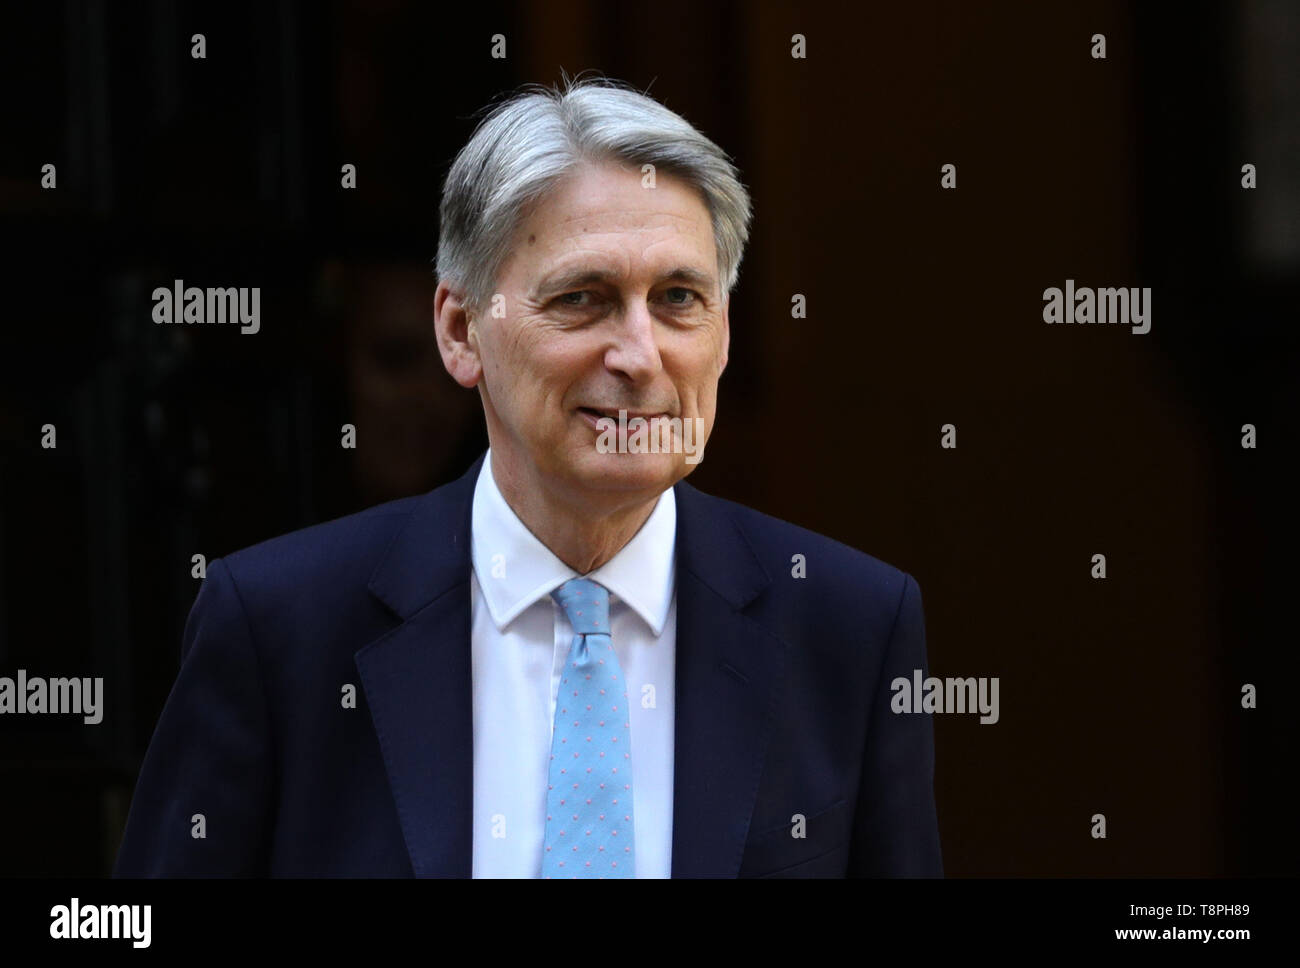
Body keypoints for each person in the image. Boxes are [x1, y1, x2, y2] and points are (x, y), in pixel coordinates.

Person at [114, 76, 942, 878]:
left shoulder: (851, 627)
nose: (640, 356)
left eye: (679, 298)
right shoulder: (279, 627)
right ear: (462, 331)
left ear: (724, 336)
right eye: (583, 298)